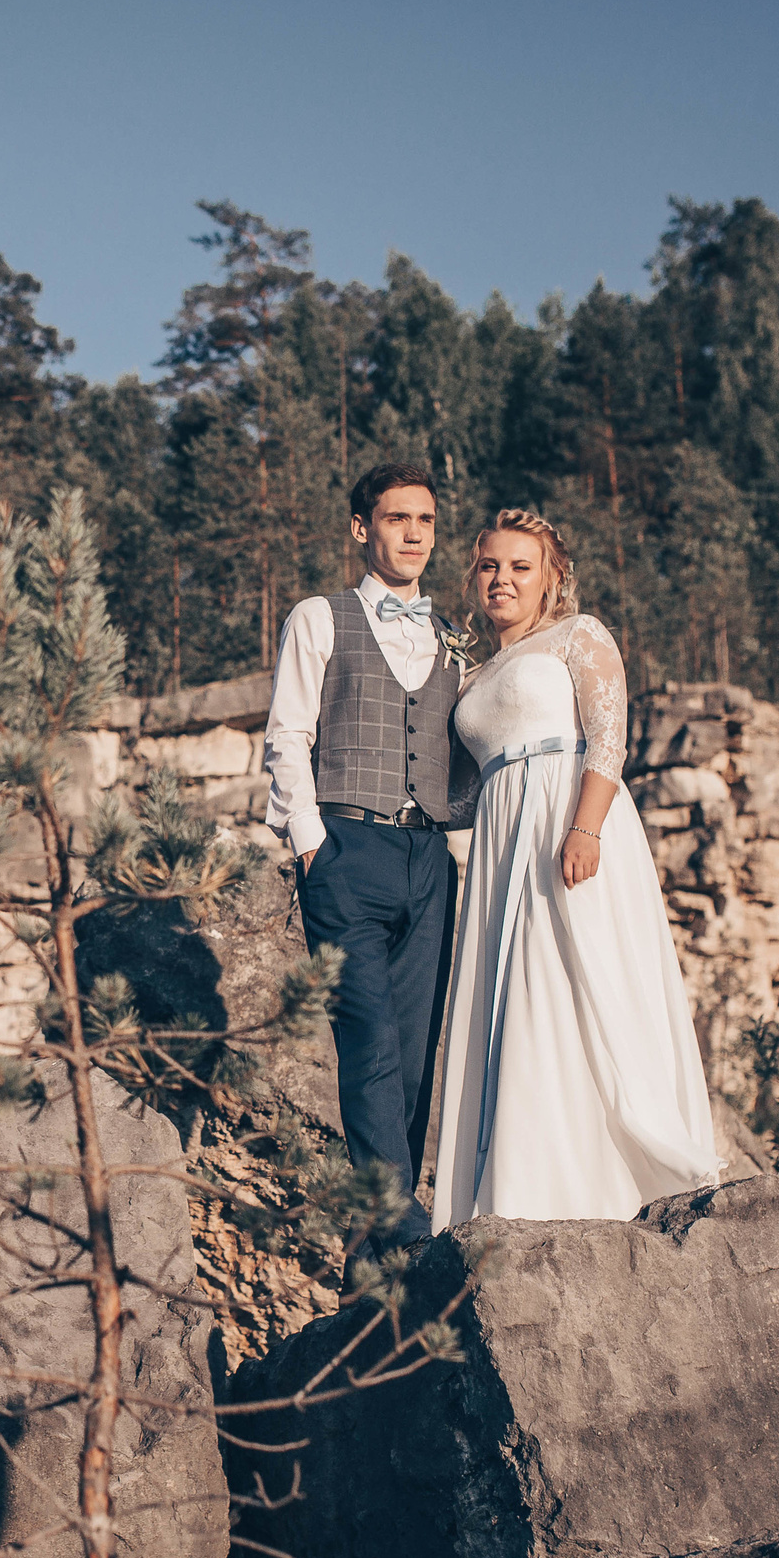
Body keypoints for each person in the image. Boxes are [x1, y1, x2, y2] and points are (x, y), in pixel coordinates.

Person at [428, 509, 722, 1228]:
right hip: (502, 839)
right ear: (474, 578)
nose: (502, 579)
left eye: (520, 566)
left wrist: (584, 827)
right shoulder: (472, 672)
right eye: (490, 566)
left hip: (569, 815)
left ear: (551, 577)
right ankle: (526, 1179)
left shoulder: (577, 635)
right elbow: (463, 793)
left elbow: (608, 735)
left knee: (579, 979)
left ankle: (613, 1177)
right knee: (519, 998)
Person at [262, 461, 477, 1250]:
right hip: (347, 849)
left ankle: (376, 1240)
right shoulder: (319, 618)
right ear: (363, 528)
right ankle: (397, 1223)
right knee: (370, 1036)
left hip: (430, 860)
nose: (414, 533)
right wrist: (312, 843)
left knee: (417, 1054)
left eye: (425, 520)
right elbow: (287, 734)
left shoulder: (454, 636)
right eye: (397, 519)